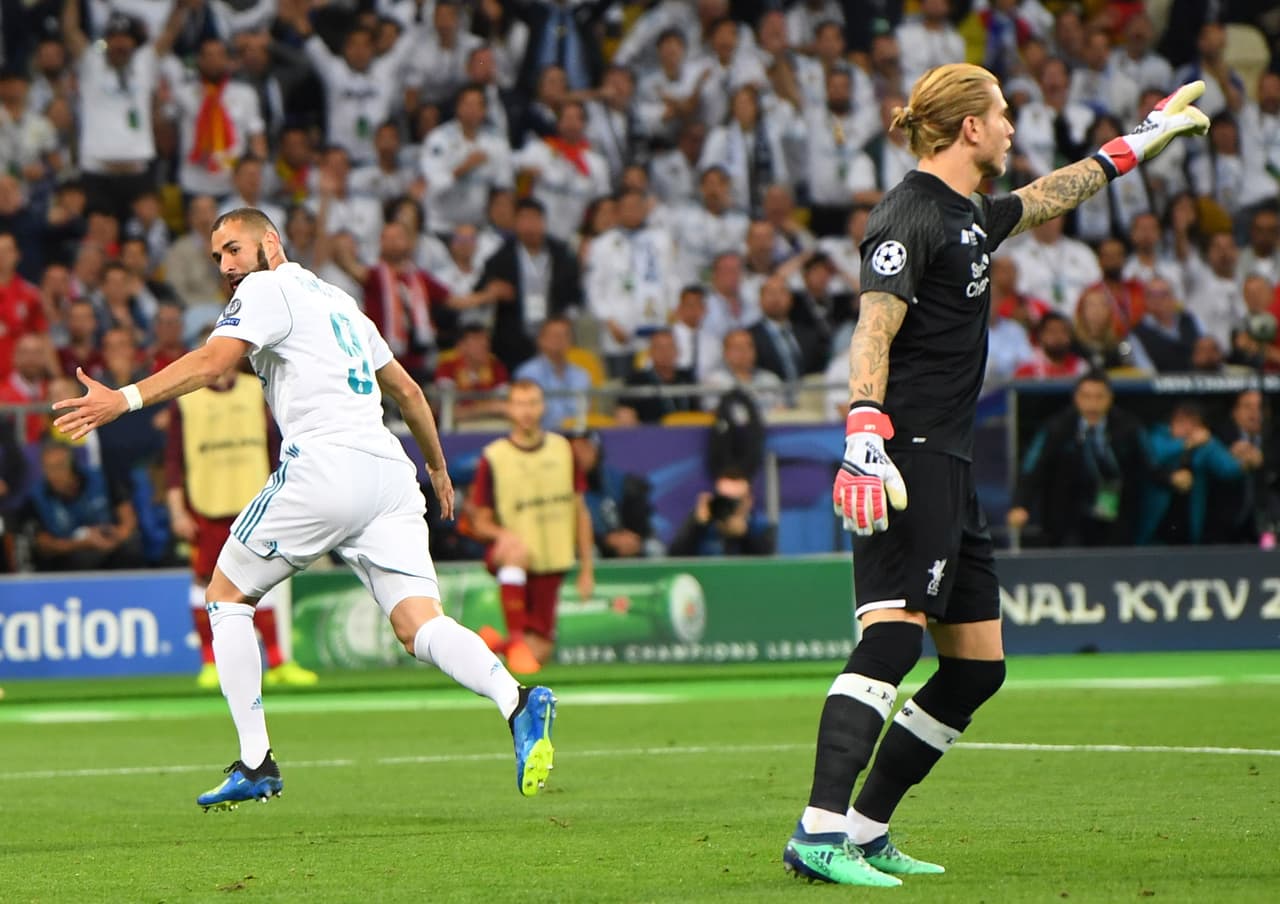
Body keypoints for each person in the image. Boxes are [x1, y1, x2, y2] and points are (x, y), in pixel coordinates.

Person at [788, 65, 1207, 886]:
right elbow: (873, 327)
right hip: (903, 454)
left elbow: (1052, 194)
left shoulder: (966, 214)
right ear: (968, 127)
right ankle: (817, 830)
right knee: (894, 637)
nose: (1013, 126)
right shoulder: (906, 214)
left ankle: (867, 830)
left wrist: (1143, 139)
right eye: (1004, 114)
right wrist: (864, 427)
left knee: (978, 666)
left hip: (950, 461)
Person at [52, 208, 558, 809]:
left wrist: (125, 398)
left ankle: (255, 760)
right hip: (391, 474)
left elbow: (215, 363)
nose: (228, 265)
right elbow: (409, 392)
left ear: (271, 241)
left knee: (224, 595)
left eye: (234, 249)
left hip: (326, 466)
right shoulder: (342, 302)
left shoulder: (267, 288)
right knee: (419, 624)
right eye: (217, 257)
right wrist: (438, 469)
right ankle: (519, 702)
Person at [165, 356, 318, 690]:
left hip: (256, 503)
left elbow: (278, 446)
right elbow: (173, 462)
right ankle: (209, 662)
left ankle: (277, 661)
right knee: (204, 580)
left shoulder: (256, 391)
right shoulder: (187, 402)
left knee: (267, 579)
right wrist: (177, 511)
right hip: (205, 506)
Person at [465, 380, 594, 675]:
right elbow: (479, 521)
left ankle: (498, 643)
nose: (527, 411)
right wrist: (503, 535)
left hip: (551, 561)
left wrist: (587, 568)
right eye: (520, 403)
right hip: (512, 556)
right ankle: (517, 639)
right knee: (515, 550)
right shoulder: (495, 457)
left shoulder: (563, 450)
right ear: (509, 409)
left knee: (539, 656)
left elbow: (580, 510)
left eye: (533, 403)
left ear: (543, 407)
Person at [1006, 372, 1148, 547]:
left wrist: (1171, 477)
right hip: (1066, 514)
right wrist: (1020, 504)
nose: (1093, 404)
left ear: (1110, 398)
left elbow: (1149, 464)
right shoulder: (1056, 428)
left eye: (1099, 397)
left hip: (1117, 513)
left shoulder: (1128, 427)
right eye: (1086, 397)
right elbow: (1032, 468)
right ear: (1076, 398)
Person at [668, 471, 775, 557]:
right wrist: (696, 525)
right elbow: (674, 557)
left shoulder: (760, 527)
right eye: (724, 499)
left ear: (749, 500)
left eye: (736, 501)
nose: (729, 506)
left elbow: (768, 564)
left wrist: (744, 535)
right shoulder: (700, 522)